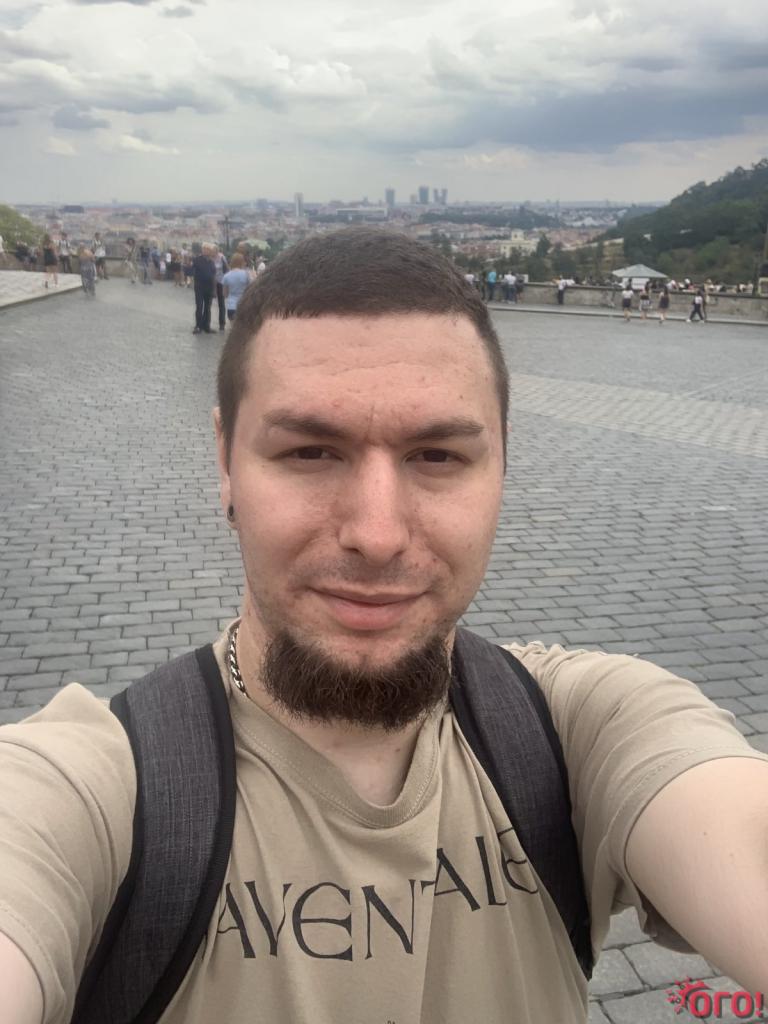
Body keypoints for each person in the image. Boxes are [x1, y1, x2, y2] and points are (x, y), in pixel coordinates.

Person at [2, 228, 768, 1024]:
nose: (376, 533)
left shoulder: (582, 729)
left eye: (437, 456)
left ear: (504, 465)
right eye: (310, 452)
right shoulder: (87, 792)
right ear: (225, 463)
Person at [192, 242, 216, 334]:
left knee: (207, 308)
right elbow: (190, 268)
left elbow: (213, 275)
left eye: (208, 249)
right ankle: (198, 326)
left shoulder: (211, 262)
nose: (206, 251)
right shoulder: (197, 260)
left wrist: (214, 289)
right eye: (205, 249)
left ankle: (206, 326)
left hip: (209, 287)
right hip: (199, 286)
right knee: (199, 306)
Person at [221, 251, 252, 322]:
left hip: (231, 306)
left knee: (233, 327)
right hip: (243, 304)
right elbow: (250, 289)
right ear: (242, 262)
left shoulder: (226, 276)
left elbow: (225, 294)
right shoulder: (246, 274)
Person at [212, 245, 230, 331]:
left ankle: (222, 324)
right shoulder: (210, 258)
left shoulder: (222, 257)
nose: (212, 252)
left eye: (214, 251)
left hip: (220, 282)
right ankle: (206, 323)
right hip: (211, 282)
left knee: (221, 303)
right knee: (208, 303)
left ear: (217, 251)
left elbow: (227, 269)